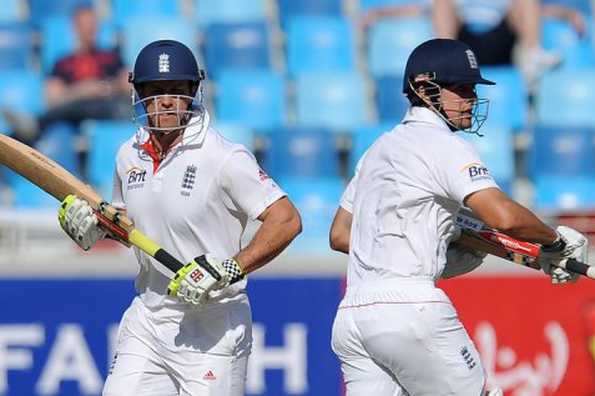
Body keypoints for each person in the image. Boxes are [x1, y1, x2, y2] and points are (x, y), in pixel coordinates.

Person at [328, 38, 588, 395]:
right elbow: (503, 217)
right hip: (411, 309)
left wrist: (435, 242)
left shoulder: (376, 151)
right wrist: (555, 241)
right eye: (461, 89)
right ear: (423, 88)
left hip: (353, 318)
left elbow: (341, 235)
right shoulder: (443, 145)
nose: (471, 100)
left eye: (472, 90)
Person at [57, 39, 302, 395]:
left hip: (213, 327)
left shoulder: (224, 157)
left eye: (177, 90)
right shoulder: (128, 155)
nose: (167, 100)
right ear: (139, 94)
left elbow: (287, 220)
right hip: (149, 318)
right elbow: (129, 226)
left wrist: (228, 268)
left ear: (193, 93)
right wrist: (96, 228)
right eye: (156, 90)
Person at [4, 4, 129, 145]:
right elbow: (52, 98)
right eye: (85, 25)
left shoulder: (111, 57)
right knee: (70, 109)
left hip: (107, 106)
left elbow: (128, 84)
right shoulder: (63, 63)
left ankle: (32, 127)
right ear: (75, 28)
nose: (89, 30)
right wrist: (81, 91)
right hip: (74, 109)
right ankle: (11, 141)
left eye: (92, 25)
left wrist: (104, 88)